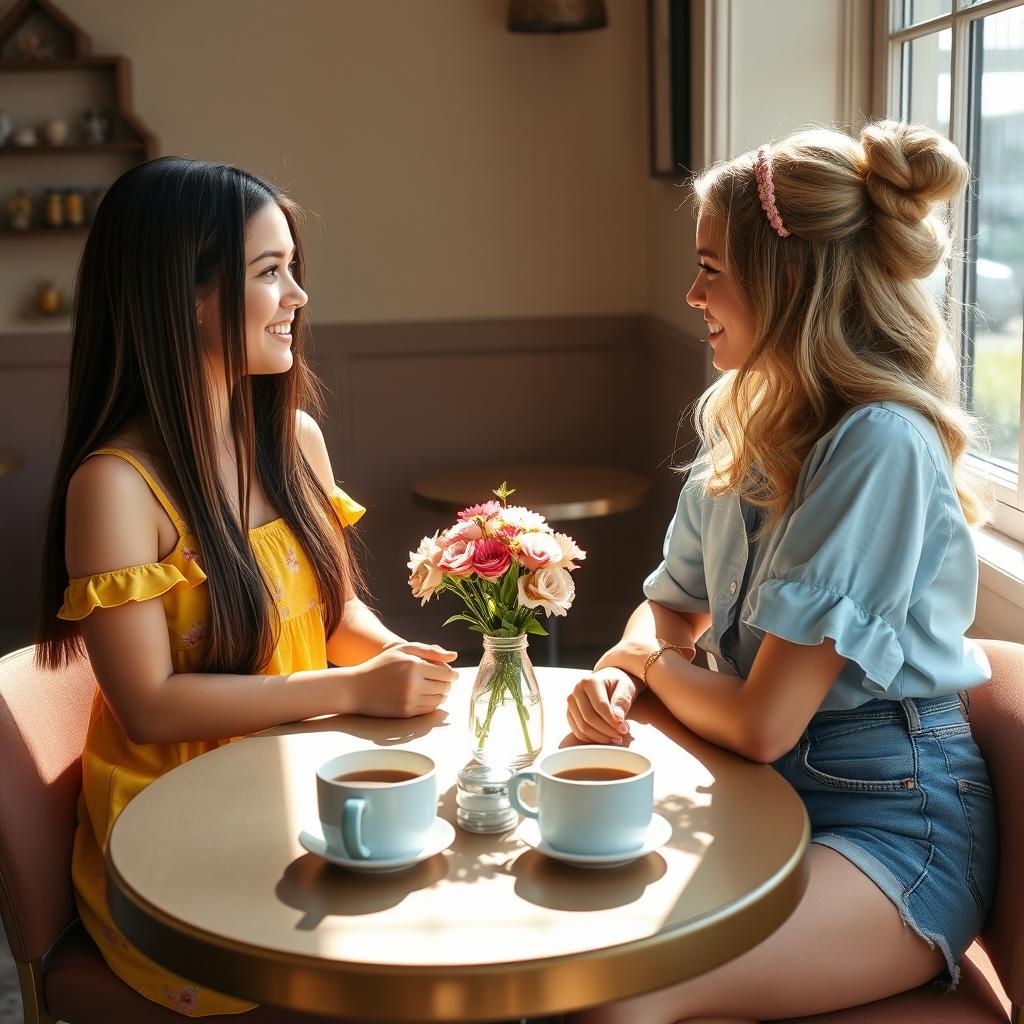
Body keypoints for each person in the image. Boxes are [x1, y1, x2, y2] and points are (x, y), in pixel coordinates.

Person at [565, 121, 997, 1023]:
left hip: (889, 829)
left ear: (786, 279)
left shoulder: (879, 445)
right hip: (762, 797)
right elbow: (663, 611)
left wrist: (647, 668)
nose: (690, 293)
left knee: (615, 997)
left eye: (711, 268)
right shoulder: (744, 418)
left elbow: (763, 722)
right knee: (558, 942)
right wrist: (620, 671)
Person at [36, 157, 458, 1017]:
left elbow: (338, 618)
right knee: (390, 963)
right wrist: (351, 689)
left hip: (292, 773)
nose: (299, 295)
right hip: (171, 829)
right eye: (270, 272)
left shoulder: (294, 439)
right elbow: (149, 706)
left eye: (293, 269)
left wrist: (407, 665)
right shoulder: (115, 487)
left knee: (450, 918)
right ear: (180, 297)